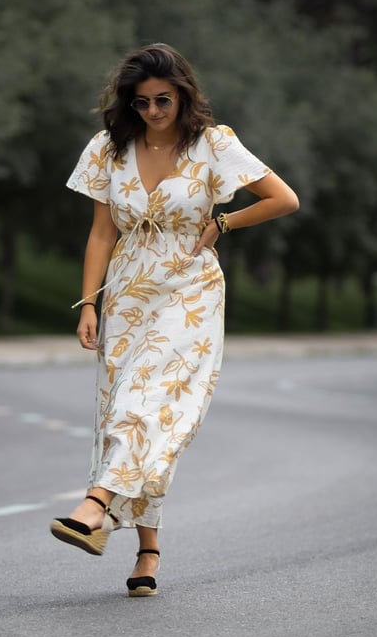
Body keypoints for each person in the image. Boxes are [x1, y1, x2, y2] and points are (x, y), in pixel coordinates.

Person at [50, 43, 299, 597]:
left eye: (164, 100)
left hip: (189, 289)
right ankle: (147, 550)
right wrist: (88, 303)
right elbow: (100, 233)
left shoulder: (214, 144)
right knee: (126, 407)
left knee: (147, 399)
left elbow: (284, 199)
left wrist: (226, 223)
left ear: (184, 94)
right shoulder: (108, 149)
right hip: (128, 292)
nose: (154, 112)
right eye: (141, 103)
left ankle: (97, 502)